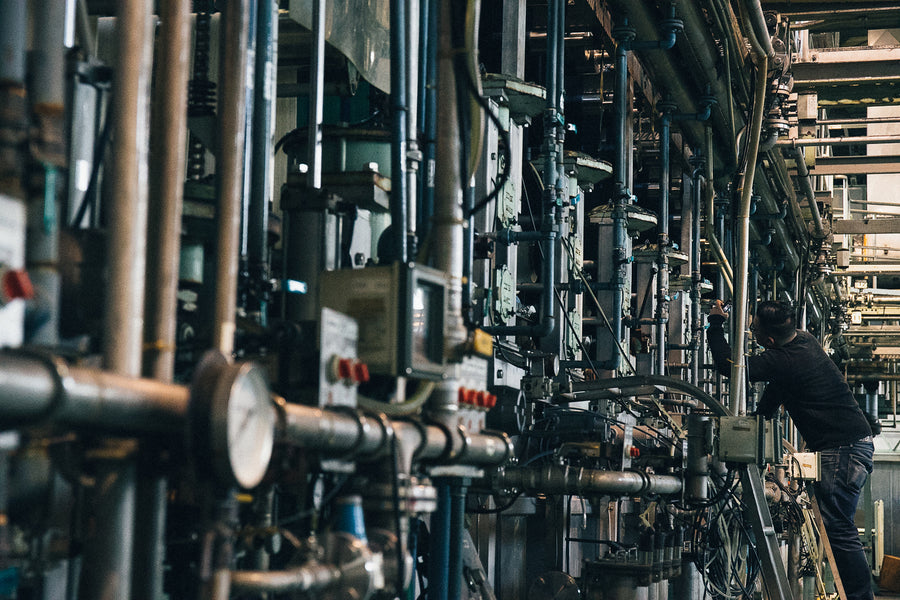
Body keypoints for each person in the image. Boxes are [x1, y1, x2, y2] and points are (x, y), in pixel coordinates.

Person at [707, 299, 874, 600]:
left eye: (754, 328)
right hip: (851, 447)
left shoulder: (783, 360)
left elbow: (727, 366)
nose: (751, 331)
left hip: (842, 452)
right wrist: (755, 426)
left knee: (840, 531)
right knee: (840, 530)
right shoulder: (803, 341)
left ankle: (861, 598)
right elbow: (777, 390)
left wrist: (715, 323)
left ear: (768, 340)